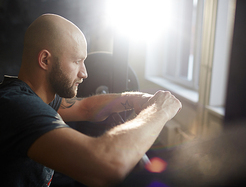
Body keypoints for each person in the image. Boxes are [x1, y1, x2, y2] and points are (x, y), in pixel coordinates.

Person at [0, 14, 182, 187]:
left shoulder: (37, 97)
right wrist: (160, 110)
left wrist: (136, 99)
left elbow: (85, 107)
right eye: (77, 61)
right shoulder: (17, 106)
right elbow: (108, 166)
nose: (84, 73)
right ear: (45, 60)